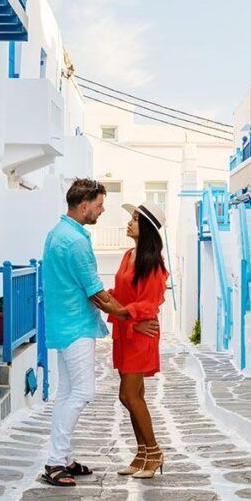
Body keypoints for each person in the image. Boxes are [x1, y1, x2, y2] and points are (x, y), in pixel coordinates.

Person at [41, 179, 157, 487]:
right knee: (82, 392)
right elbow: (97, 294)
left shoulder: (58, 233)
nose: (102, 210)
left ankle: (62, 457)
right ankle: (55, 462)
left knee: (67, 392)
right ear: (84, 206)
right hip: (75, 327)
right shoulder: (75, 242)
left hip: (64, 324)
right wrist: (130, 317)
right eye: (99, 205)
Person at [95, 202, 168, 479]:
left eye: (135, 219)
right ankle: (142, 455)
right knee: (135, 396)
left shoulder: (152, 263)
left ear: (146, 228)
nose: (129, 222)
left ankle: (155, 452)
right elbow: (122, 291)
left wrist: (122, 313)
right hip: (126, 330)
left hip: (140, 333)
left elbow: (150, 302)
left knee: (127, 395)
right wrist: (103, 297)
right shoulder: (128, 255)